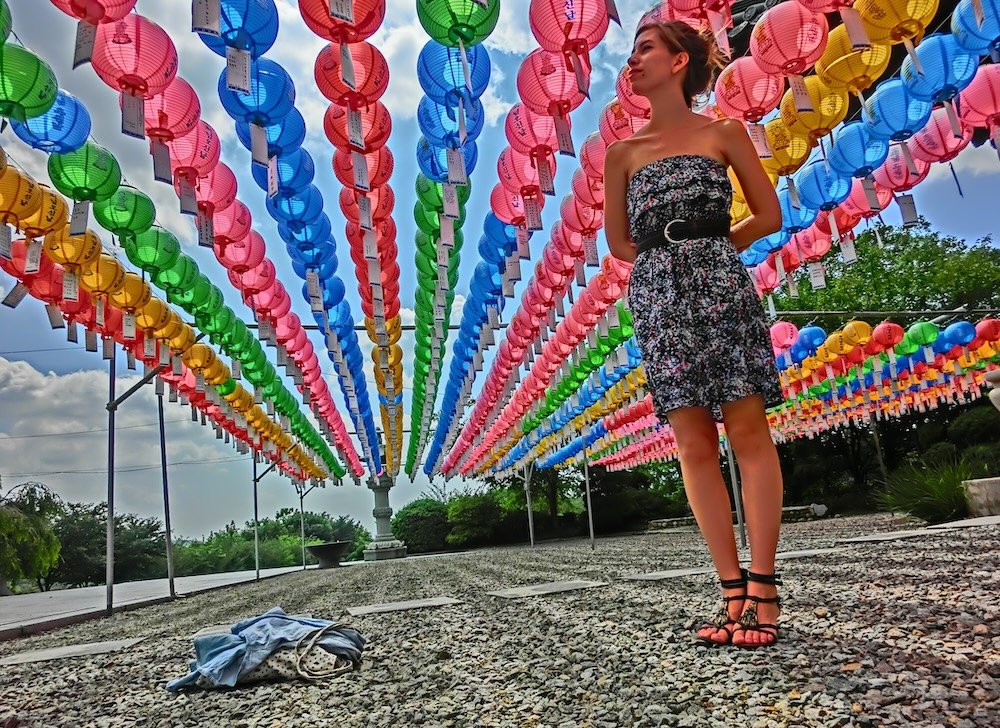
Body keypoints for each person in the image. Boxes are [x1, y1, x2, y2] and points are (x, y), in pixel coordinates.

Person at [603, 18, 786, 648]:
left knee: (747, 429)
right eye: (631, 54)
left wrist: (713, 250)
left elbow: (769, 214)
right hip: (657, 294)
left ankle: (764, 587)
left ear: (680, 61)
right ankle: (730, 590)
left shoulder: (725, 132)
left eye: (645, 50)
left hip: (720, 283)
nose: (633, 63)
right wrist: (672, 261)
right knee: (692, 444)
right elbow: (620, 244)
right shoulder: (620, 153)